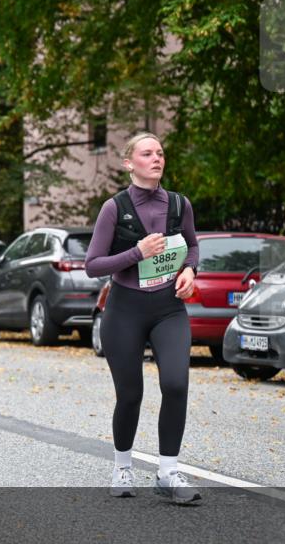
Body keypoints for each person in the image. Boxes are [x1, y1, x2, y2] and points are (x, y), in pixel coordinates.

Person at [85, 132, 202, 505]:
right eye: (147, 153)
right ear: (129, 163)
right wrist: (137, 252)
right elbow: (93, 265)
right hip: (125, 310)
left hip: (168, 308)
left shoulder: (179, 204)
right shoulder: (113, 208)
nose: (156, 158)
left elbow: (192, 245)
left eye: (160, 153)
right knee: (130, 394)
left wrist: (190, 270)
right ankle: (122, 467)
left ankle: (168, 473)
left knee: (176, 384)